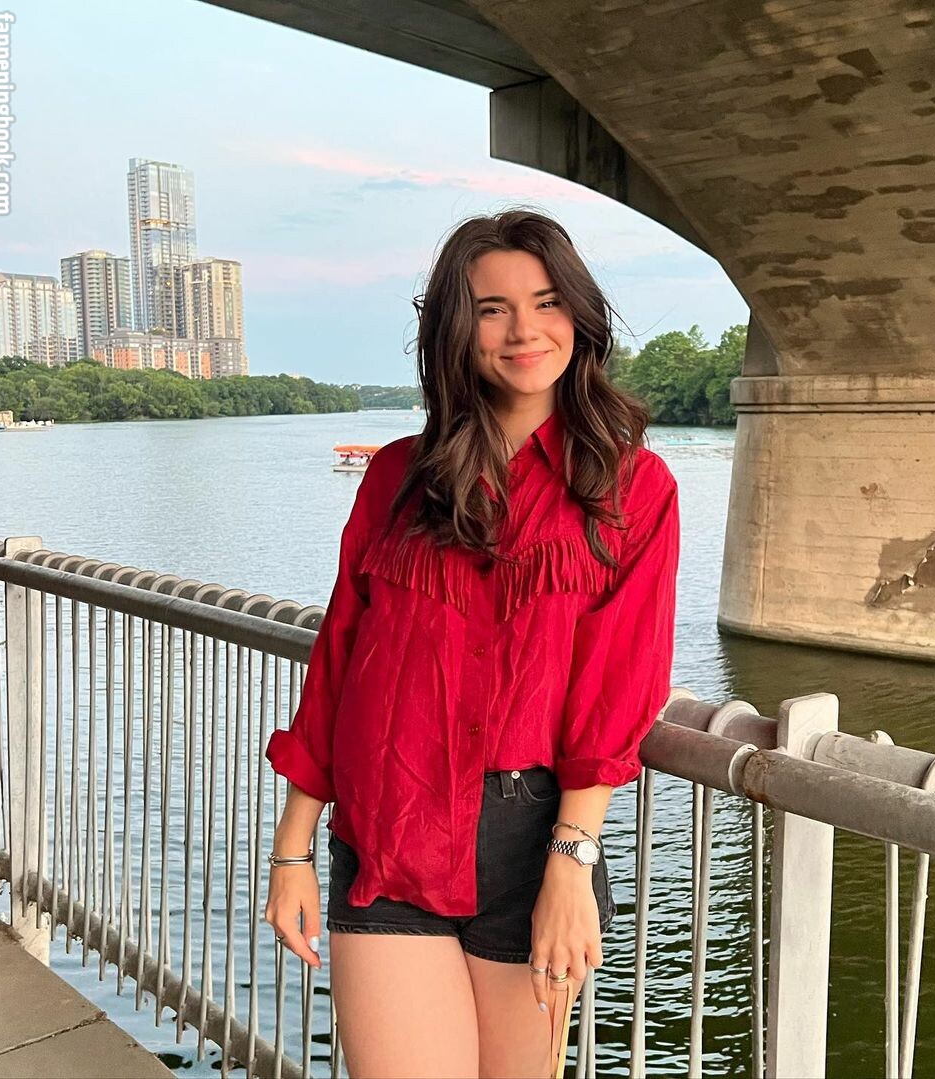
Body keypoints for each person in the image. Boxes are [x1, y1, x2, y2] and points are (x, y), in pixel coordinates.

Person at [264, 207, 681, 1078]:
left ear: (579, 316)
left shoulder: (633, 489)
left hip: (534, 843)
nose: (525, 330)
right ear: (459, 330)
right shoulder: (396, 477)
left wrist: (571, 862)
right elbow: (340, 663)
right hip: (390, 830)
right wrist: (292, 848)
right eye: (493, 308)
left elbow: (617, 689)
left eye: (546, 301)